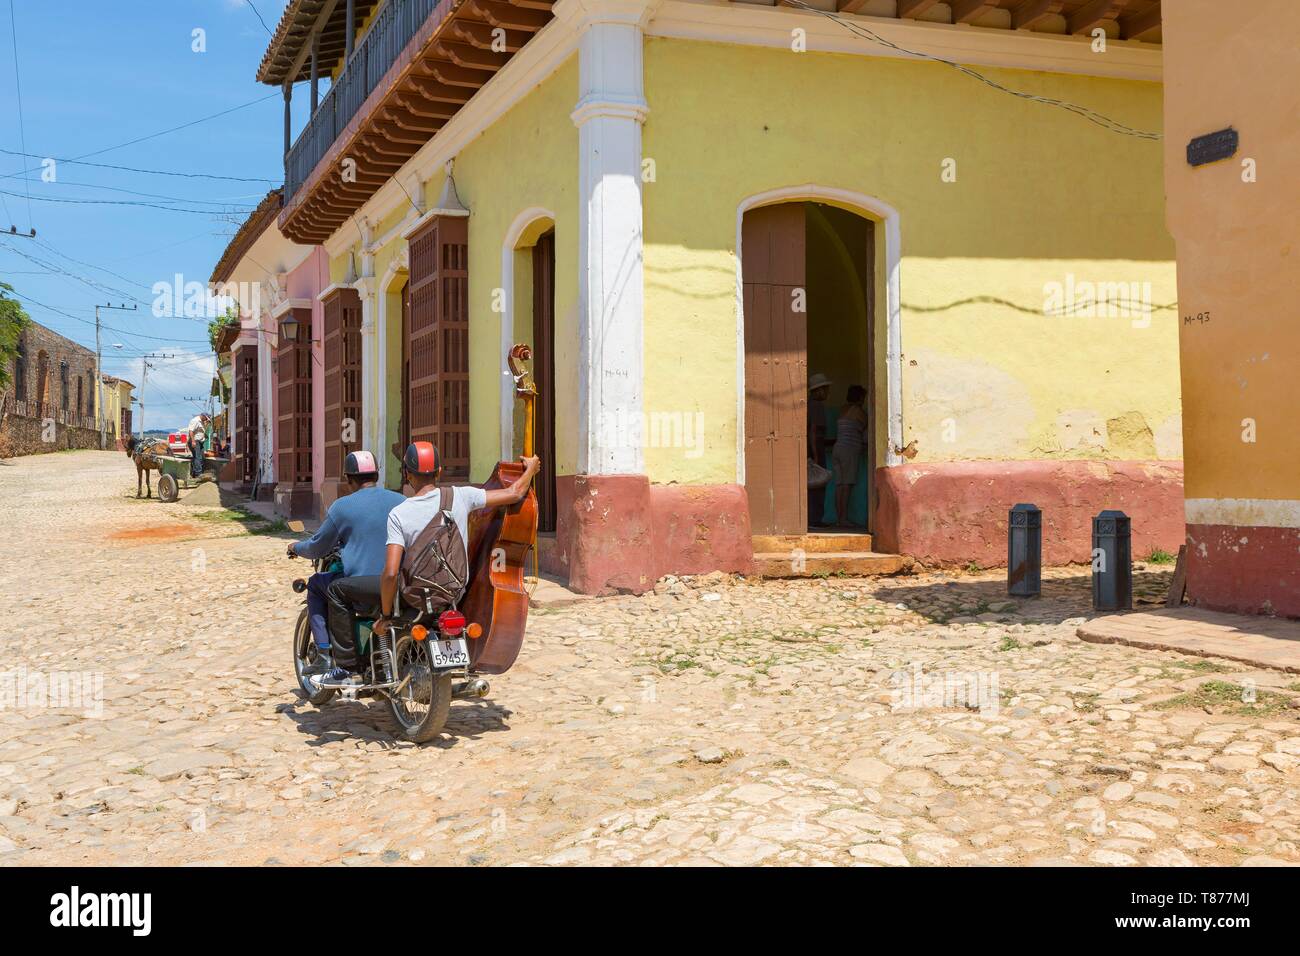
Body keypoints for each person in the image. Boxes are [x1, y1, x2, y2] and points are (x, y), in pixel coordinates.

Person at [312, 441, 541, 688]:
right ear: (439, 471)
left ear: (408, 475)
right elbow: (514, 493)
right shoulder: (461, 495)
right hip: (453, 590)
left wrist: (386, 615)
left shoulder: (400, 513)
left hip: (414, 594)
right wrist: (530, 469)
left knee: (336, 589)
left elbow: (390, 574)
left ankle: (347, 669)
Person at [288, 450, 403, 677]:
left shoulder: (342, 507)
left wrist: (295, 547)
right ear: (377, 476)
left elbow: (318, 547)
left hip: (361, 586)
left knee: (317, 584)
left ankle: (325, 656)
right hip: (398, 582)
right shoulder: (401, 500)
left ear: (349, 479)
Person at [832, 384, 869, 528]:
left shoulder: (843, 409)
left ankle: (839, 519)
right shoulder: (859, 412)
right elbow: (866, 432)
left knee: (839, 485)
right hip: (849, 450)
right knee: (846, 485)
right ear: (860, 398)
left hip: (837, 448)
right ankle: (844, 519)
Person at [807, 373, 832, 528]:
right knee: (818, 484)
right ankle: (814, 519)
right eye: (826, 389)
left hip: (811, 451)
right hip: (815, 451)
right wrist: (816, 457)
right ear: (819, 391)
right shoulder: (817, 406)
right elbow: (814, 432)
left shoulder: (809, 404)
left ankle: (812, 518)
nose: (828, 392)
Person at [186, 412, 211, 478]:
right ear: (203, 416)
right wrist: (193, 441)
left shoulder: (202, 422)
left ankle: (195, 473)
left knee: (202, 458)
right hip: (195, 441)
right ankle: (198, 474)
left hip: (200, 442)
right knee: (198, 457)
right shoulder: (195, 421)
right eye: (206, 418)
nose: (206, 420)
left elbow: (202, 430)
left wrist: (207, 424)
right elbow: (191, 431)